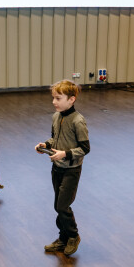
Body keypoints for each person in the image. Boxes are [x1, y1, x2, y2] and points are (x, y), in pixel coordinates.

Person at [35, 79, 90, 256]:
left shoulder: (78, 121)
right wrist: (46, 144)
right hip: (57, 167)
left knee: (62, 206)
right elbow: (55, 138)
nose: (54, 102)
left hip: (71, 170)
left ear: (71, 99)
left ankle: (73, 236)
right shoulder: (56, 116)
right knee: (58, 205)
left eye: (58, 98)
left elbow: (85, 148)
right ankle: (63, 238)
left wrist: (64, 154)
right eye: (53, 98)